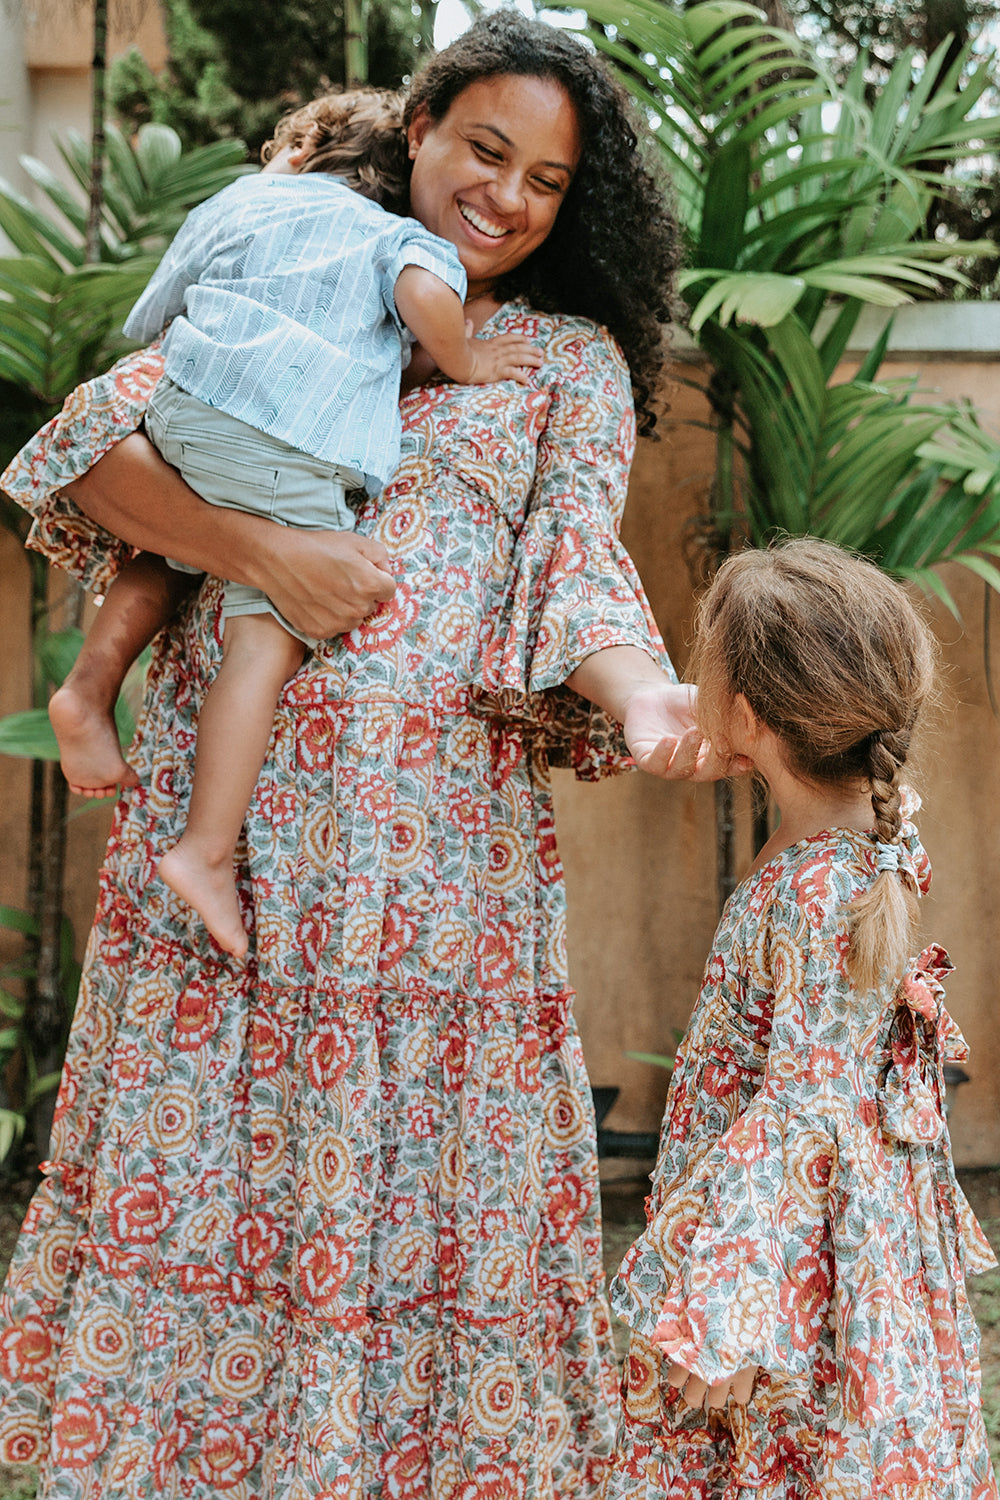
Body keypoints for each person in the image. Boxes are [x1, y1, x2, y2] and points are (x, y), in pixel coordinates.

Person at [0, 11, 713, 1496]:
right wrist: (270, 553)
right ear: (420, 131)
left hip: (431, 887)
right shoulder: (301, 270)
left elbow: (576, 563)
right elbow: (85, 448)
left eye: (549, 180)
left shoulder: (563, 365)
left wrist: (647, 697)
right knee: (211, 1182)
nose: (508, 197)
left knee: (422, 1209)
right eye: (484, 151)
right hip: (232, 867)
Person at [47, 88, 542, 960]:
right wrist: (465, 358)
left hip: (183, 406)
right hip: (283, 440)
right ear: (401, 175)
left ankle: (88, 690)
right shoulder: (390, 233)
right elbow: (425, 294)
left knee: (176, 542)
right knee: (263, 638)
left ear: (303, 156)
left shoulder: (242, 201)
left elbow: (156, 308)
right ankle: (205, 852)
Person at [604, 539, 998, 1499]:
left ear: (744, 713)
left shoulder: (813, 890)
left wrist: (730, 1307)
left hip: (795, 1273)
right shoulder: (868, 830)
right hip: (830, 1242)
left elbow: (801, 1121)